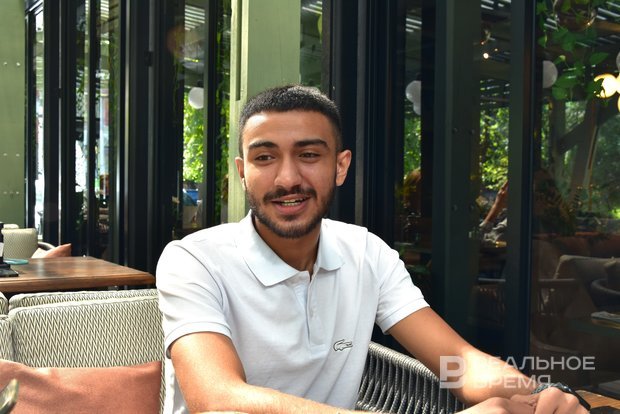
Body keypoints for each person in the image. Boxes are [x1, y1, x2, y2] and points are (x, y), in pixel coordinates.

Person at [156, 85, 589, 414]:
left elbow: (458, 361)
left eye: (309, 155)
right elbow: (218, 398)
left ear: (340, 166)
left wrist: (543, 395)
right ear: (243, 172)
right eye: (265, 158)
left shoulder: (366, 252)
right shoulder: (193, 260)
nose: (287, 178)